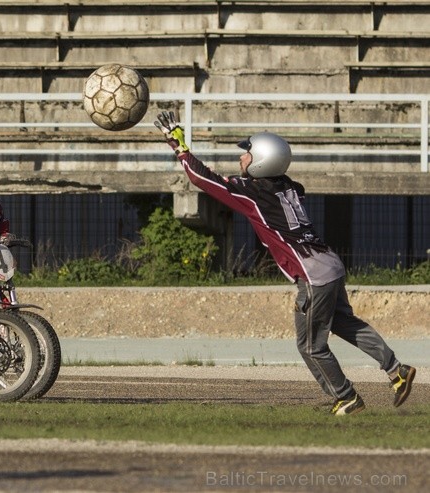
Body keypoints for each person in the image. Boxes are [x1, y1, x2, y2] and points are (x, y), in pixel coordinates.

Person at [154, 111, 416, 416]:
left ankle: (346, 397)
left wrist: (180, 147)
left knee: (310, 346)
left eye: (247, 154)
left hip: (313, 275)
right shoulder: (290, 186)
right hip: (329, 264)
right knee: (345, 323)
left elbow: (203, 180)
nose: (242, 159)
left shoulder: (254, 195)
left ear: (263, 160)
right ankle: (396, 370)